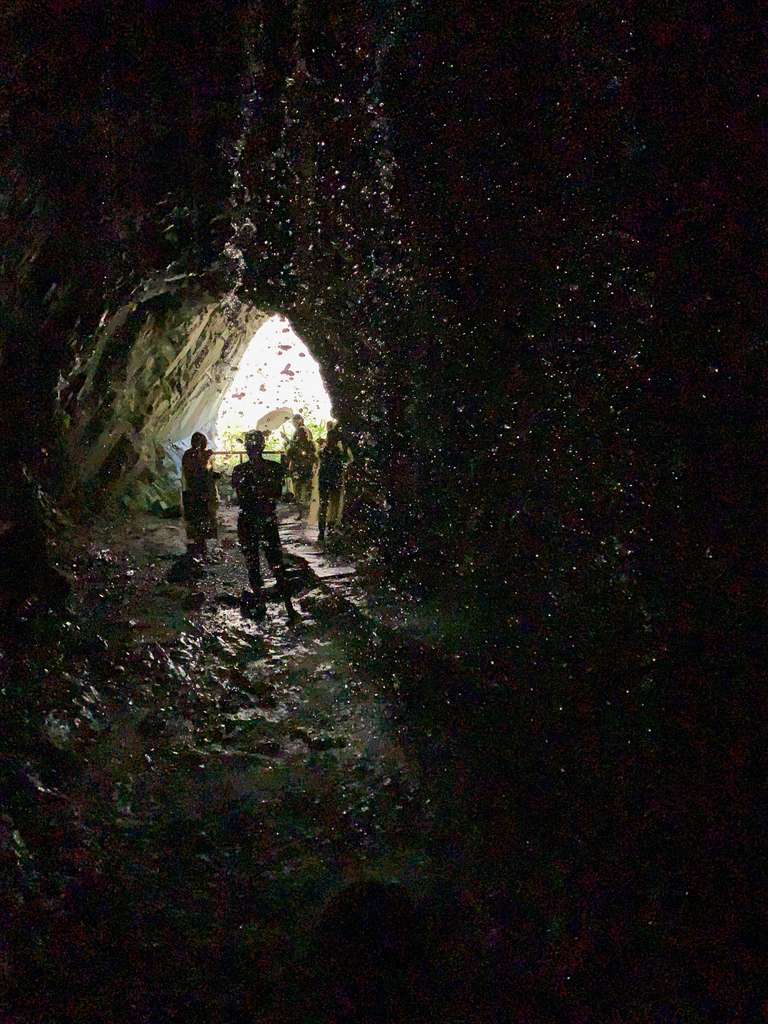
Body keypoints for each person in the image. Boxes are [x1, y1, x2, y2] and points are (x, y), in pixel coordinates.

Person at [230, 430, 297, 620]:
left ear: (246, 448)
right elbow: (279, 494)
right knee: (276, 563)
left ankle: (260, 603)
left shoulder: (239, 470)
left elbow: (238, 496)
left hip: (248, 520)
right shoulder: (274, 469)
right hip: (267, 519)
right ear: (263, 446)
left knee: (253, 563)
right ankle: (289, 608)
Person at [181, 432, 219, 560]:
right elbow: (195, 471)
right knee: (199, 521)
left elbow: (205, 472)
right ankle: (199, 550)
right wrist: (204, 460)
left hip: (198, 492)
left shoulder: (193, 454)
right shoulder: (192, 455)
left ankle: (201, 549)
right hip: (196, 492)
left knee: (201, 521)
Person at [317, 423, 349, 543]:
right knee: (333, 504)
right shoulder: (339, 453)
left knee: (324, 505)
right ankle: (329, 527)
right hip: (334, 480)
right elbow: (345, 461)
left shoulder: (322, 452)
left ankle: (322, 530)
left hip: (325, 480)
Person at [286, 425, 317, 509]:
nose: (302, 435)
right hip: (297, 467)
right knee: (297, 484)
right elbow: (289, 455)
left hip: (307, 467)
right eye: (300, 433)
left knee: (306, 485)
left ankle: (304, 500)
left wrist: (310, 459)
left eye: (304, 433)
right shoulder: (294, 444)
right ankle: (298, 500)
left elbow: (314, 455)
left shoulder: (310, 444)